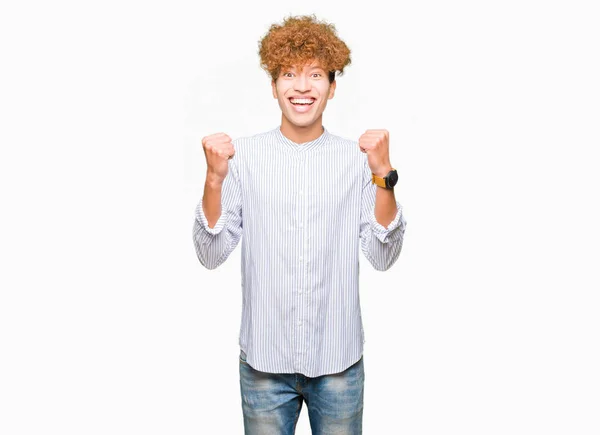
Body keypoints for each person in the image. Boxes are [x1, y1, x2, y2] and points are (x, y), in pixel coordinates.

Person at [193, 14, 407, 435]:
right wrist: (214, 181)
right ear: (273, 87)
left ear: (332, 86)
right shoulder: (244, 159)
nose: (302, 86)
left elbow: (383, 255)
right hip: (264, 365)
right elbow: (210, 253)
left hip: (338, 363)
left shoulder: (356, 160)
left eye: (314, 74)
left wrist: (383, 175)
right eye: (289, 74)